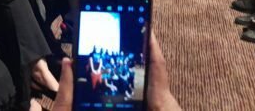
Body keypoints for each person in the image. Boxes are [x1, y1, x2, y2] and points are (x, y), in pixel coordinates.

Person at [52, 32, 182, 111]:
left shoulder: (110, 62)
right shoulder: (94, 60)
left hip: (106, 74)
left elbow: (108, 69)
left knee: (127, 78)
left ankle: (129, 94)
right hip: (99, 76)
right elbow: (99, 70)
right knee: (119, 79)